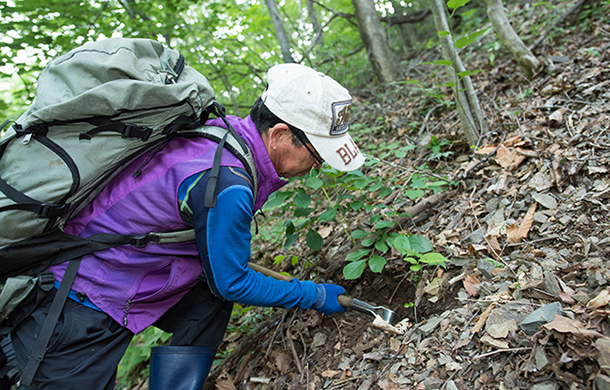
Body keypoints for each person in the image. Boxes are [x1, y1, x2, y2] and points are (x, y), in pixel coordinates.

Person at [3, 63, 365, 389]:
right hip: (80, 301)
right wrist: (313, 296)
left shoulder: (219, 136)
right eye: (316, 155)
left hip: (122, 276)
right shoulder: (228, 182)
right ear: (280, 134)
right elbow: (234, 282)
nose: (316, 167)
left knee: (209, 300)